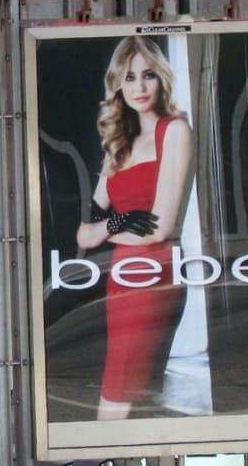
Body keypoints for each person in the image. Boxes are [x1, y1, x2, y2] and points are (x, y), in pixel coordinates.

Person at [75, 36, 195, 421]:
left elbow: (157, 229)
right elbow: (83, 234)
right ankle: (121, 463)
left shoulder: (173, 130)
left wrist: (106, 230)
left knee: (121, 392)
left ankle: (106, 459)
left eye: (148, 76)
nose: (139, 87)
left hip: (153, 273)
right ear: (118, 84)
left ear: (161, 80)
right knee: (132, 392)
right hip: (121, 276)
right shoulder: (119, 146)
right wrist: (120, 222)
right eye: (129, 78)